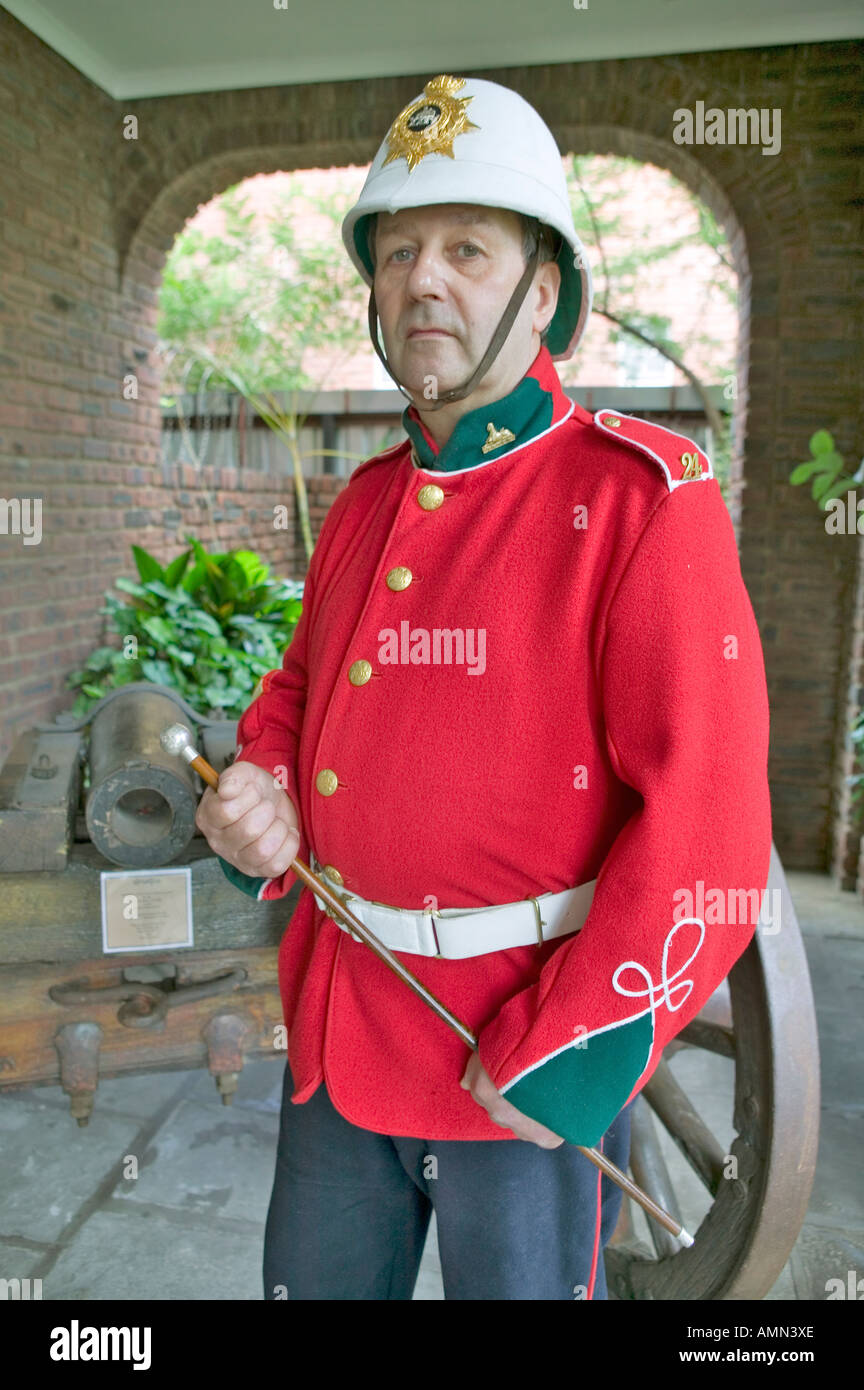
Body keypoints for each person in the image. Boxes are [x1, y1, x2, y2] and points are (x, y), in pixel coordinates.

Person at [194, 74, 772, 1301]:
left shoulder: (641, 499)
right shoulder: (362, 504)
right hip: (346, 1041)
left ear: (542, 289)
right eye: (398, 251)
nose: (424, 280)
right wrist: (262, 788)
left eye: (467, 246)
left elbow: (708, 821)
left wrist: (570, 1057)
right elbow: (299, 699)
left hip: (517, 1065)